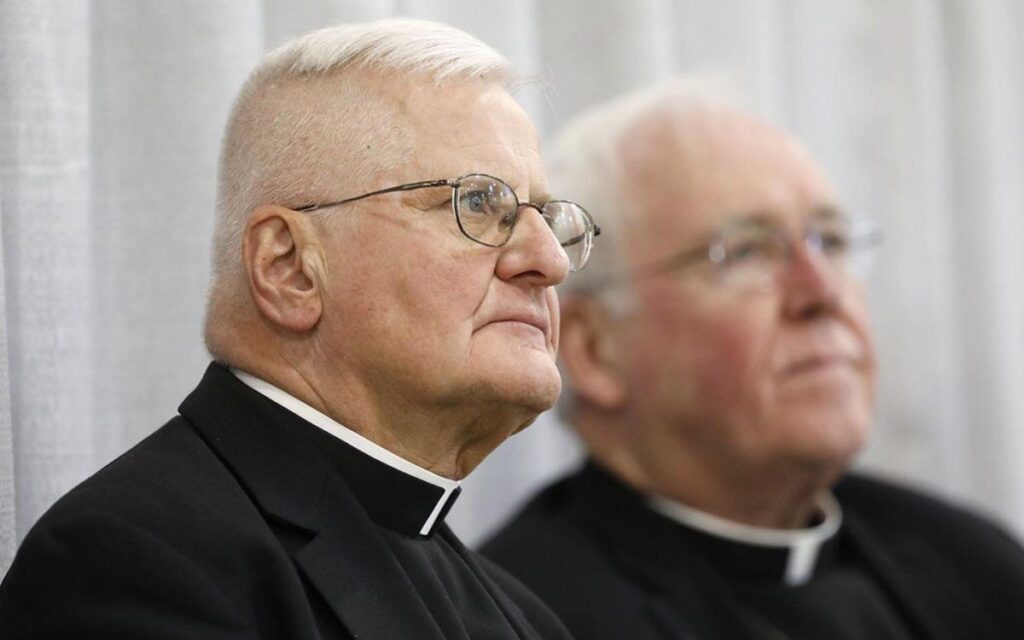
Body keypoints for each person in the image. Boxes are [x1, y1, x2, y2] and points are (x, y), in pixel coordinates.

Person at [0, 18, 599, 639]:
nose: (550, 262)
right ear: (289, 269)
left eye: (547, 218)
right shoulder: (136, 561)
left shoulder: (526, 619)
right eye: (478, 203)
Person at [481, 78, 1024, 639]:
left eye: (831, 241)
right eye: (746, 253)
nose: (822, 293)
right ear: (595, 350)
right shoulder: (521, 620)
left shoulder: (974, 564)